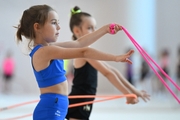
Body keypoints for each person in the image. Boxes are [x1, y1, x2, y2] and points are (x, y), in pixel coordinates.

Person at [15, 4, 136, 120]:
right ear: (37, 27)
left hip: (57, 106)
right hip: (51, 109)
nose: (58, 27)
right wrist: (115, 58)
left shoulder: (50, 48)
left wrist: (105, 29)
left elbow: (79, 43)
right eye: (53, 23)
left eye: (58, 23)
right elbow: (83, 51)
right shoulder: (45, 52)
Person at [66, 6, 150, 120]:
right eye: (90, 28)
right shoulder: (84, 52)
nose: (94, 32)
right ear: (77, 31)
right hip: (80, 101)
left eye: (95, 27)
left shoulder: (87, 51)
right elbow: (107, 73)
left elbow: (112, 70)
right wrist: (127, 94)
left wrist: (134, 90)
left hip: (84, 100)